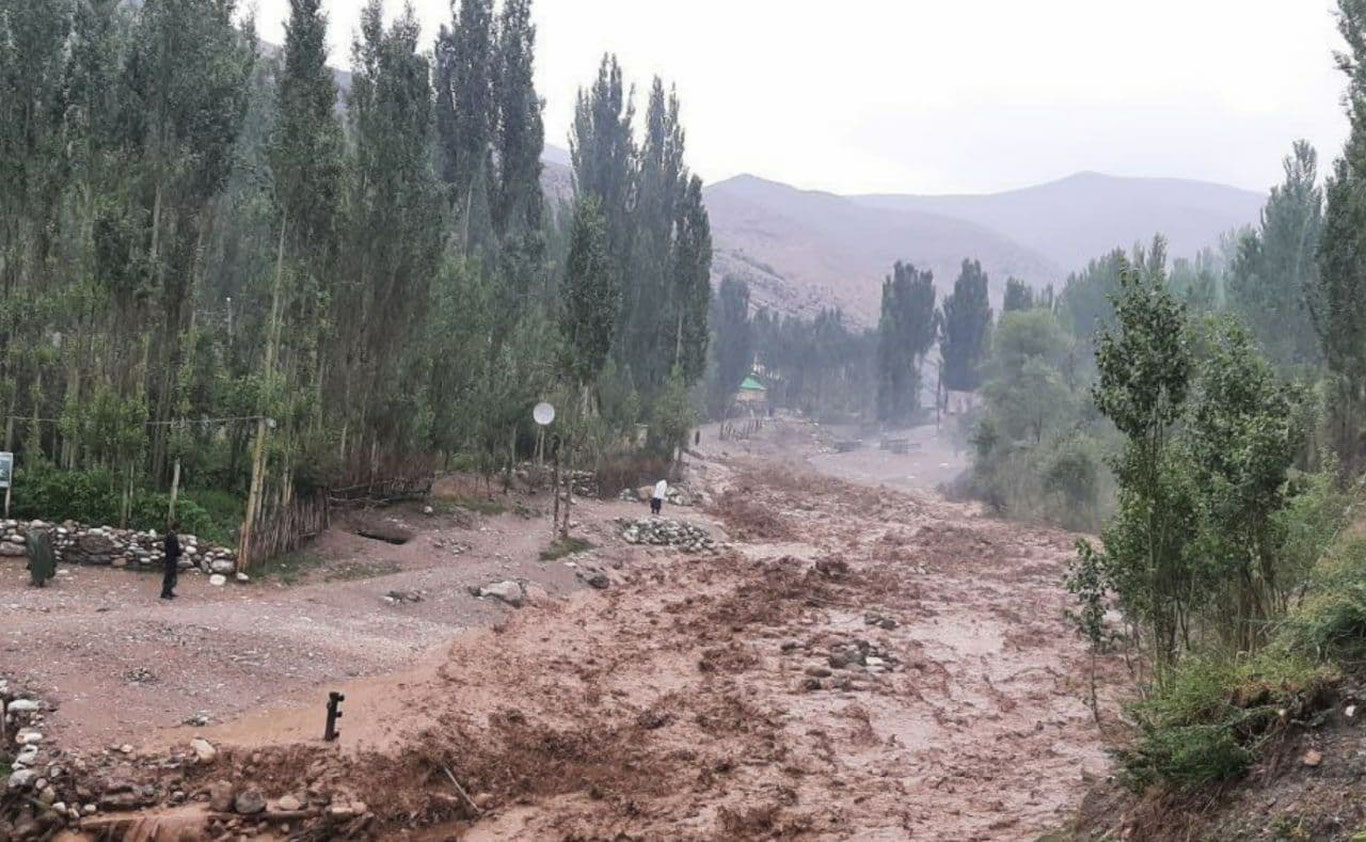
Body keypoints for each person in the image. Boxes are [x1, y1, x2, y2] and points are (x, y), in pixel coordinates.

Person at [161, 524, 182, 600]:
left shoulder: (169, 535)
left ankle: (169, 591)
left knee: (171, 575)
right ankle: (165, 592)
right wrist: (179, 553)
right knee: (169, 575)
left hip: (170, 557)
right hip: (171, 558)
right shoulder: (172, 536)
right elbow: (174, 548)